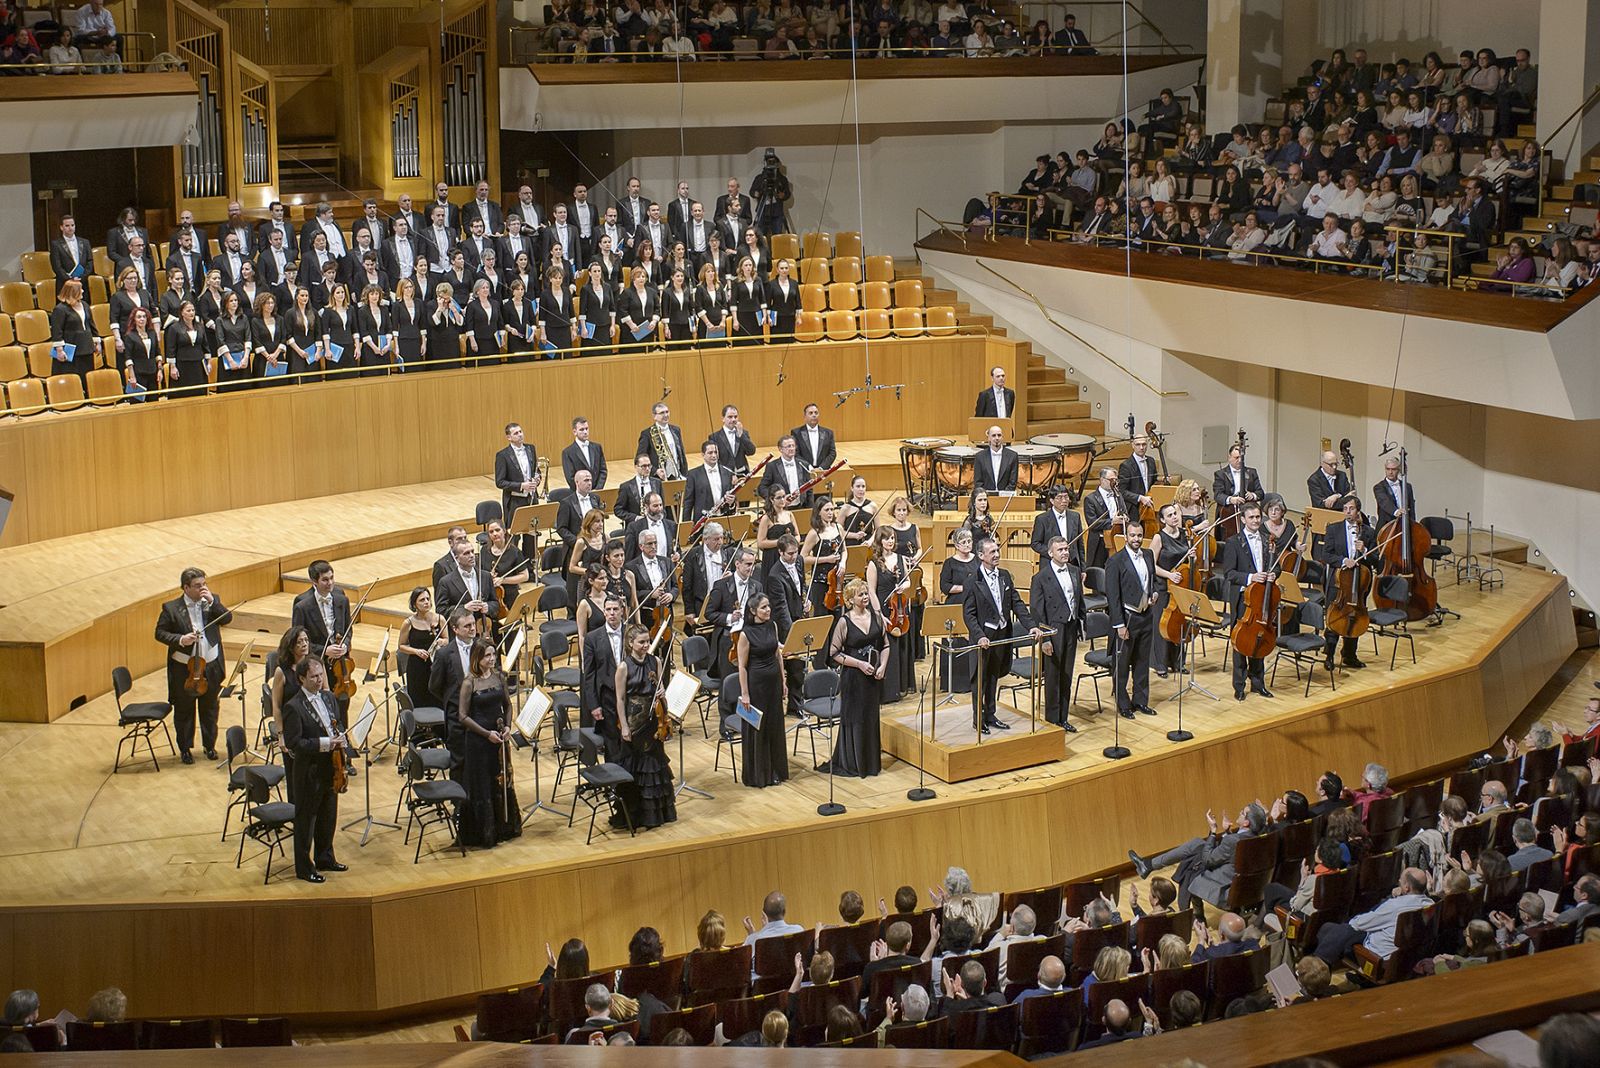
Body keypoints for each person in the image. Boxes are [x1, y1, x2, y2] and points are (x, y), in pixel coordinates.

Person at [962, 536, 1042, 733]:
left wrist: (1031, 625)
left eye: (997, 551)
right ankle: (977, 718)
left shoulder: (1005, 575)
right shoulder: (972, 581)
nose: (997, 555)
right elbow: (969, 614)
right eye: (992, 552)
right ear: (981, 555)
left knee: (993, 677)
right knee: (979, 680)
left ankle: (990, 714)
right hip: (983, 638)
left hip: (1001, 635)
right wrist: (979, 635)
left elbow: (1017, 603)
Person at [1128, 802, 1268, 912]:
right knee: (1196, 845)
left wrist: (1213, 832)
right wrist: (1226, 832)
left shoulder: (1233, 841)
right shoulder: (1260, 838)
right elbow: (1233, 852)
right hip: (1249, 885)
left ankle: (1190, 914)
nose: (1240, 812)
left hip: (1226, 887)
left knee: (1191, 864)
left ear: (1246, 823)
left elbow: (1209, 860)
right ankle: (1148, 865)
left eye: (1243, 813)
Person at [154, 566, 231, 763]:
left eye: (204, 584)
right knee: (185, 709)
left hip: (211, 665)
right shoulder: (171, 608)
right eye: (198, 586)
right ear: (186, 588)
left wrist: (213, 602)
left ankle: (210, 746)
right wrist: (181, 639)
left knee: (210, 708)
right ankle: (186, 748)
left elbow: (227, 618)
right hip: (184, 669)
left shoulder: (212, 600)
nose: (203, 589)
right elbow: (160, 633)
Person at [281, 657, 348, 883]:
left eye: (321, 676)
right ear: (301, 678)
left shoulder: (329, 697)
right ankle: (304, 867)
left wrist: (342, 739)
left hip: (331, 766)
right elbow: (295, 743)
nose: (319, 680)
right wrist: (326, 743)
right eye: (314, 677)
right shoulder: (293, 706)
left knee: (328, 815)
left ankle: (325, 857)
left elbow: (336, 723)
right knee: (306, 821)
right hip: (309, 771)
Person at [456, 637, 521, 848]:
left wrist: (509, 727)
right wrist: (486, 734)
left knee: (500, 781)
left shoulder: (499, 677)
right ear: (477, 657)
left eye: (494, 654)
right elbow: (463, 717)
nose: (492, 659)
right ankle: (484, 833)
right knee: (482, 785)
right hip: (478, 742)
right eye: (487, 655)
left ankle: (504, 827)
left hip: (499, 739)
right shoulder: (469, 682)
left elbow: (508, 706)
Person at [821, 578, 888, 777]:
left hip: (873, 677)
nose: (865, 597)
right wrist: (859, 664)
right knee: (856, 718)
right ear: (851, 599)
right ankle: (854, 762)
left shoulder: (876, 616)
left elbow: (885, 645)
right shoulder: (844, 621)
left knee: (871, 717)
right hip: (853, 678)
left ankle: (870, 762)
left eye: (866, 593)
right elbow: (834, 653)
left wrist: (883, 665)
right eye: (861, 594)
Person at [614, 623, 677, 828]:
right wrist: (624, 726)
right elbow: (621, 699)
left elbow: (660, 687)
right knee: (635, 767)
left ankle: (655, 816)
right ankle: (635, 815)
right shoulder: (624, 667)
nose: (646, 645)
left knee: (653, 766)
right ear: (630, 643)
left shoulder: (655, 661)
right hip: (634, 723)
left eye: (647, 641)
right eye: (641, 642)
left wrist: (662, 693)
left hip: (653, 723)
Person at [1312, 867, 1432, 964]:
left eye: (1400, 881)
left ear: (1406, 887)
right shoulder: (1431, 904)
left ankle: (1315, 971)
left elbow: (1357, 924)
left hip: (1378, 960)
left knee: (1337, 930)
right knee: (1330, 928)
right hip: (1406, 957)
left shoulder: (1394, 906)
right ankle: (1318, 966)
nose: (1398, 883)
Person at [1029, 535, 1085, 730]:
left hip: (1070, 628)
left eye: (1066, 549)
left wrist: (1081, 625)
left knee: (1067, 674)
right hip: (1053, 630)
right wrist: (1044, 639)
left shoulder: (1075, 571)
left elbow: (1079, 600)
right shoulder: (1040, 578)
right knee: (1053, 676)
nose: (1065, 552)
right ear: (1050, 553)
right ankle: (1053, 720)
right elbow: (1037, 611)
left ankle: (1064, 717)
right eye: (1060, 550)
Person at [1105, 519, 1158, 719]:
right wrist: (1119, 625)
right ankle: (1123, 704)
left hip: (1145, 615)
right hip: (1126, 618)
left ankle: (1140, 701)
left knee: (1142, 662)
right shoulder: (1115, 561)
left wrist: (1153, 593)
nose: (1136, 539)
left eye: (1139, 535)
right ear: (1126, 537)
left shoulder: (1149, 555)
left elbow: (1151, 580)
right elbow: (1113, 596)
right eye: (1132, 535)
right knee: (1122, 664)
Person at [1316, 495, 1376, 671]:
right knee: (1335, 618)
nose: (1348, 512)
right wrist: (1343, 561)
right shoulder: (1333, 529)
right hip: (1338, 583)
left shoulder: (1368, 532)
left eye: (1351, 508)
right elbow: (1326, 555)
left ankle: (1350, 655)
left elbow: (1376, 560)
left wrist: (1364, 550)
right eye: (1345, 509)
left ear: (1358, 510)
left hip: (1359, 585)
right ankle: (1329, 655)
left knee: (1355, 618)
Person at [1222, 504, 1274, 701]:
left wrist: (1272, 575)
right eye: (1251, 517)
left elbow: (1273, 565)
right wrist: (1252, 577)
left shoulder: (1266, 540)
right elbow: (1229, 573)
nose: (1255, 521)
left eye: (1258, 517)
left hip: (1262, 599)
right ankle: (1239, 685)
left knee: (1260, 639)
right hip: (1244, 599)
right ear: (1243, 519)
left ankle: (1258, 683)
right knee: (1241, 642)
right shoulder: (1233, 542)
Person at [736, 591, 788, 787]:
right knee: (760, 728)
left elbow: (778, 654)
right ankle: (759, 774)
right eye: (764, 607)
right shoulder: (745, 634)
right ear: (753, 611)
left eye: (768, 606)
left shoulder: (772, 626)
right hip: (756, 686)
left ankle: (775, 770)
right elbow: (741, 666)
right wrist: (745, 693)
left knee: (774, 725)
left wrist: (783, 681)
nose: (768, 610)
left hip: (774, 682)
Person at [398, 586, 443, 710]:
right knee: (419, 699)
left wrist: (440, 641)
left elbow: (447, 640)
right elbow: (401, 646)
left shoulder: (440, 619)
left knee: (437, 697)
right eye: (422, 600)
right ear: (415, 604)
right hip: (417, 666)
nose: (426, 602)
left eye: (428, 599)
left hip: (435, 665)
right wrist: (416, 651)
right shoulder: (408, 623)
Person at [1081, 468, 1126, 571]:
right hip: (1100, 541)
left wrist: (1125, 518)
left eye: (1115, 480)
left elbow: (1125, 512)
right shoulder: (1090, 499)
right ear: (1102, 480)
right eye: (1111, 480)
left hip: (1116, 538)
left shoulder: (1118, 495)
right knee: (1099, 574)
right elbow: (1092, 523)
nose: (1114, 483)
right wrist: (1111, 521)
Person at [973, 424, 1018, 493]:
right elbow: (978, 482)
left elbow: (1012, 482)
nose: (997, 438)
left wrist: (1003, 496)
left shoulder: (1012, 456)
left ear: (1002, 437)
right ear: (989, 438)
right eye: (993, 435)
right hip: (986, 498)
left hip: (1005, 497)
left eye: (999, 435)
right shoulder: (980, 457)